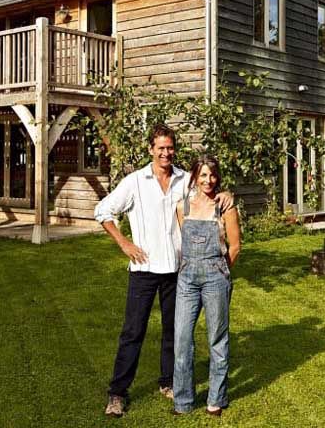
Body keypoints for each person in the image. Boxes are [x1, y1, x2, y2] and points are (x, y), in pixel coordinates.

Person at [94, 124, 231, 418]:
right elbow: (103, 211)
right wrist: (124, 243)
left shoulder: (185, 179)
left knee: (175, 332)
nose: (166, 153)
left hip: (177, 271)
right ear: (151, 149)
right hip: (143, 269)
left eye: (170, 148)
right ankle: (117, 393)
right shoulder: (135, 182)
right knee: (133, 332)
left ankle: (169, 382)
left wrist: (227, 194)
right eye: (161, 148)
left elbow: (210, 189)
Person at [172, 154, 240, 417]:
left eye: (212, 175)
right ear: (194, 177)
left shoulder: (225, 207)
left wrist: (220, 272)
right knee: (181, 339)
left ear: (217, 177)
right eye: (202, 175)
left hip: (215, 278)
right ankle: (183, 401)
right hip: (187, 277)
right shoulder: (183, 207)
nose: (208, 180)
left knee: (217, 338)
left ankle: (216, 398)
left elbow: (234, 246)